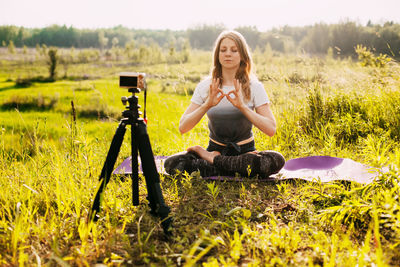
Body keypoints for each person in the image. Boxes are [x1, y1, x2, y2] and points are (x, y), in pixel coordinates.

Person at [164, 30, 285, 178]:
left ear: (242, 56)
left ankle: (213, 161)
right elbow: (183, 127)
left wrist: (242, 107)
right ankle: (232, 166)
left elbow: (271, 129)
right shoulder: (205, 86)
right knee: (171, 164)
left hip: (245, 152)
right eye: (223, 50)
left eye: (234, 50)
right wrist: (207, 104)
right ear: (218, 55)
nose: (228, 54)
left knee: (276, 160)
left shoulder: (254, 86)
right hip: (217, 149)